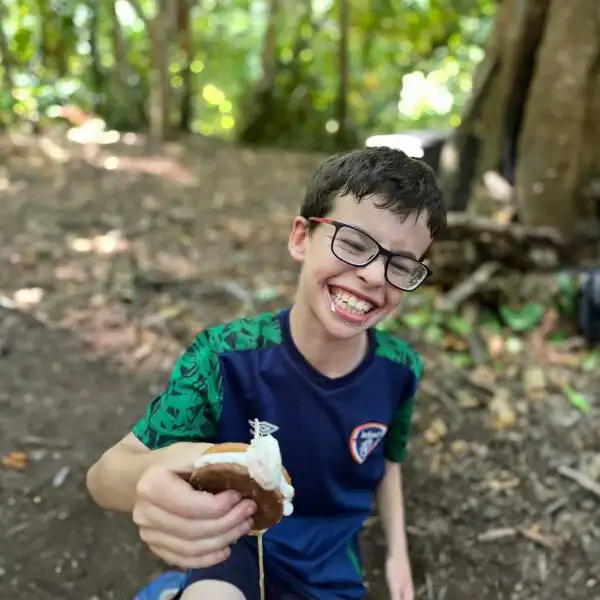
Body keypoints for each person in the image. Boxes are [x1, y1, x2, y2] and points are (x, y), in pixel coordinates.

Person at [85, 146, 447, 600]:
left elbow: (389, 461)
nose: (375, 275)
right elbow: (105, 475)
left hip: (330, 564)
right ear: (301, 238)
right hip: (236, 541)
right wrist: (150, 479)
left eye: (401, 265)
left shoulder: (400, 370)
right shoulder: (223, 358)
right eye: (354, 244)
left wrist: (398, 553)